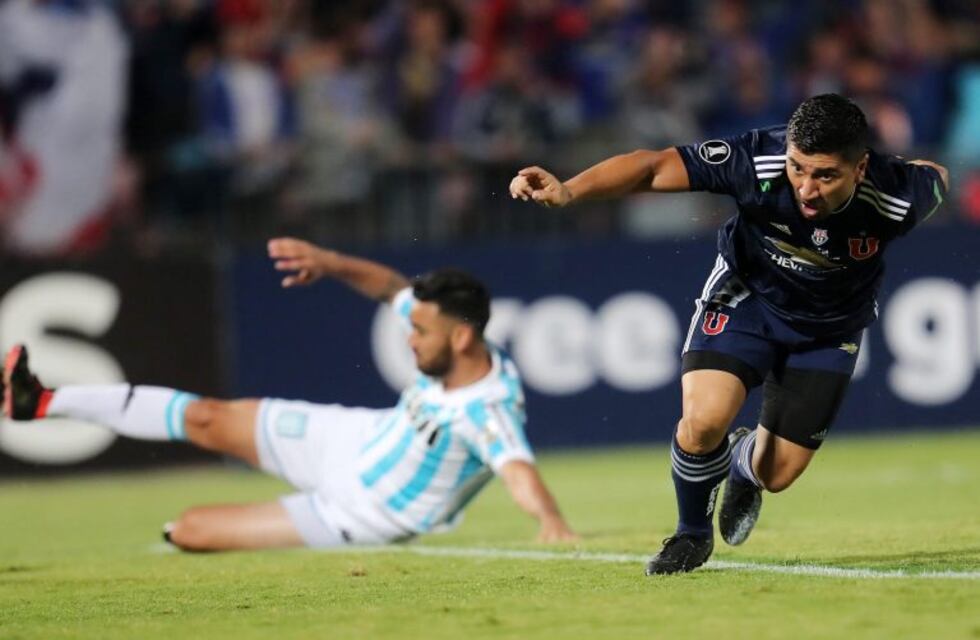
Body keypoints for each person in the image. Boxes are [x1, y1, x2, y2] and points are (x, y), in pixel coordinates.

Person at [509, 93, 948, 574]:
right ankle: (691, 535)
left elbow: (936, 177)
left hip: (830, 328)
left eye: (825, 175)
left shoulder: (897, 197)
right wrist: (570, 189)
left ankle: (741, 462)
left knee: (778, 474)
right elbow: (654, 167)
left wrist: (917, 165)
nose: (805, 188)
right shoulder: (755, 158)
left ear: (860, 169)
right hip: (746, 299)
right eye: (798, 168)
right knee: (702, 421)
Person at [2, 237, 577, 550]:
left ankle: (183, 537)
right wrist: (327, 262)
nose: (408, 336)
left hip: (358, 516)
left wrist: (551, 523)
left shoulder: (489, 405)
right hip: (348, 438)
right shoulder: (449, 337)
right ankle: (43, 401)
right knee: (206, 416)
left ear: (461, 336)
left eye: (420, 331)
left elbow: (518, 470)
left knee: (190, 530)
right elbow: (391, 288)